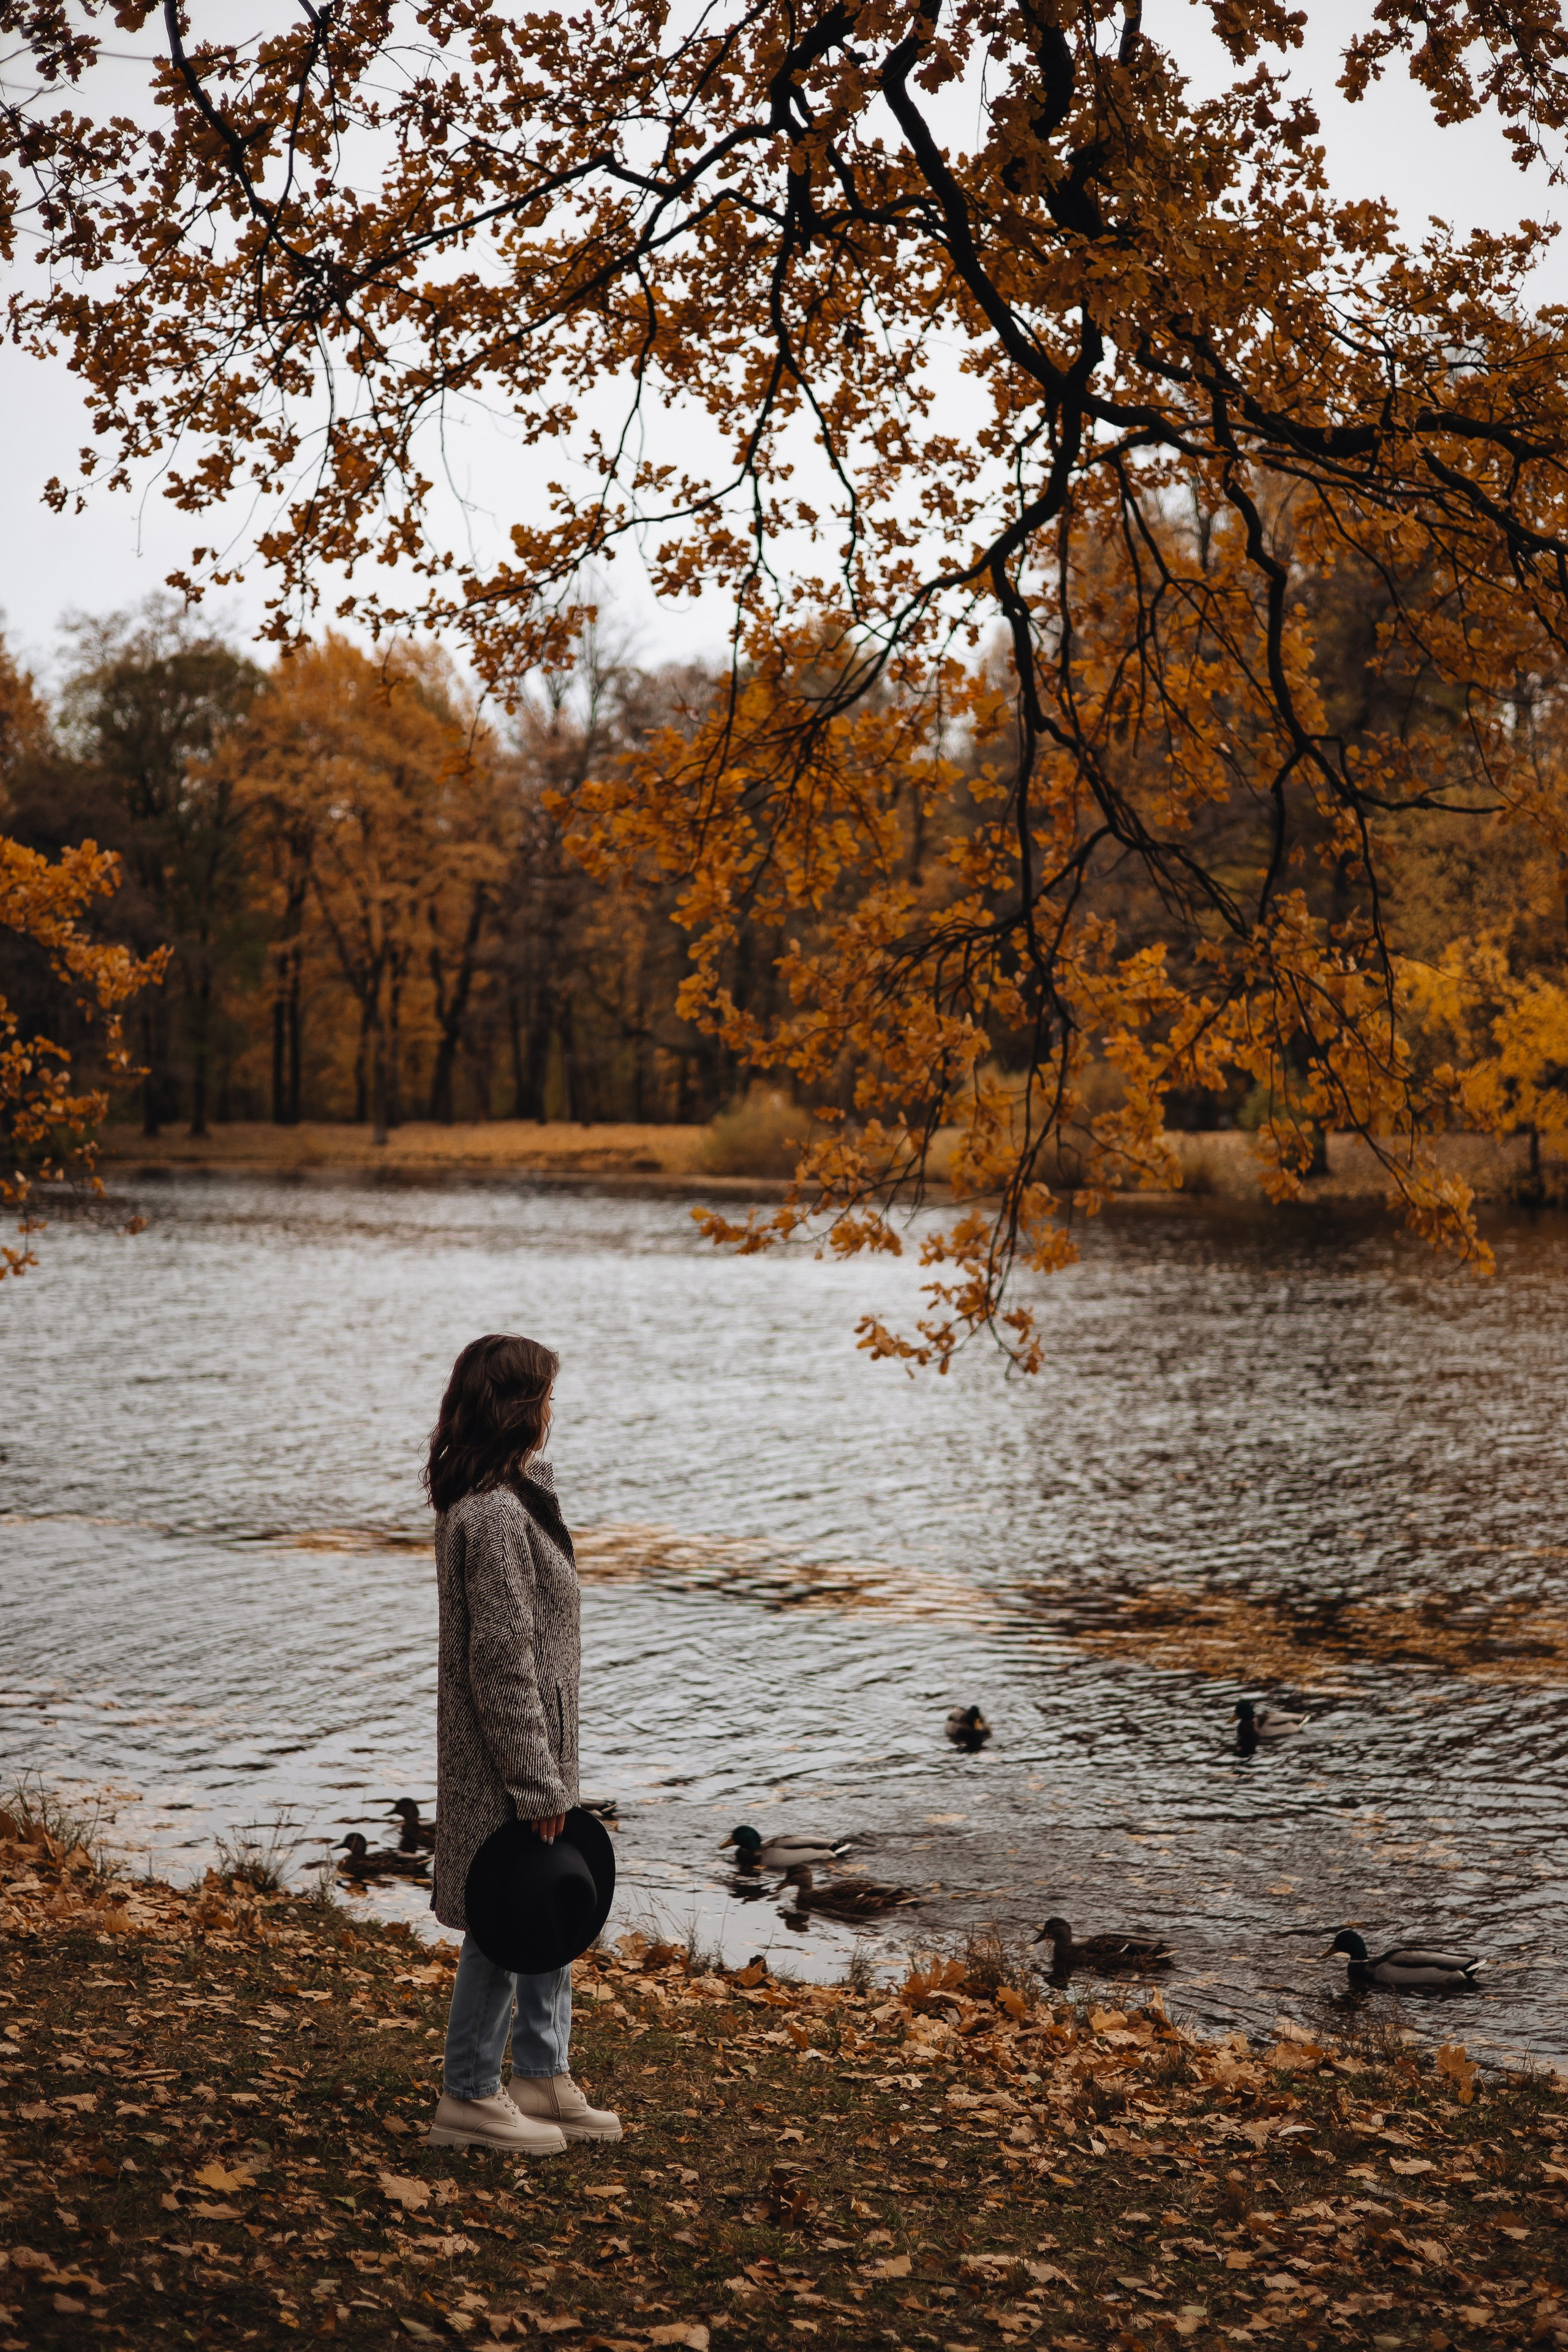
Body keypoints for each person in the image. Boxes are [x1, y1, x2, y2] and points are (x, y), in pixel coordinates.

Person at [421, 1332, 621, 2154]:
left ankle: (542, 2074)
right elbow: (502, 1662)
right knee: (502, 1917)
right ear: (516, 1408)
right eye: (543, 1398)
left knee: (546, 1900)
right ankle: (469, 2093)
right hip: (504, 1760)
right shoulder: (494, 1515)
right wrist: (536, 1783)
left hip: (536, 1749)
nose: (550, 1412)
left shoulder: (508, 1497)